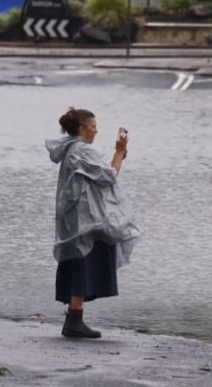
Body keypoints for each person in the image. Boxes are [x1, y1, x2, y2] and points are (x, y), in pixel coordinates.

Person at [46, 107, 142, 339]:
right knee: (83, 262)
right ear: (81, 129)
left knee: (79, 262)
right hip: (84, 220)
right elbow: (109, 176)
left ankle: (74, 318)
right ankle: (74, 321)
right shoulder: (82, 151)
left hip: (77, 217)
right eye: (93, 127)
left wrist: (118, 154)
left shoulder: (71, 149)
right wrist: (119, 152)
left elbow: (101, 176)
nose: (96, 131)